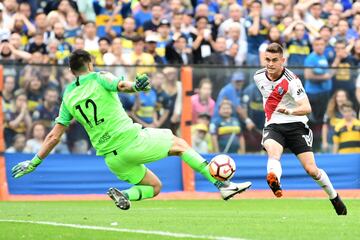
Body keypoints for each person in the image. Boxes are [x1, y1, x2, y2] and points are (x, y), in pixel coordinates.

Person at [11, 49, 251, 210]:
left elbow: (54, 135)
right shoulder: (99, 77)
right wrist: (136, 86)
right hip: (131, 141)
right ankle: (223, 185)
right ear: (90, 64)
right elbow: (123, 85)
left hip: (111, 158)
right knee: (179, 144)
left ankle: (127, 194)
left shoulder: (67, 97)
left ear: (72, 71)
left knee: (154, 187)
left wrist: (33, 162)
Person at [254, 43, 347, 215]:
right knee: (273, 152)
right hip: (274, 125)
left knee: (311, 170)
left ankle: (334, 197)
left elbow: (307, 107)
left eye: (275, 60)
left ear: (283, 60)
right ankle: (274, 180)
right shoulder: (258, 76)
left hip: (296, 126)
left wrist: (290, 110)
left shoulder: (292, 81)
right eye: (267, 59)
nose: (270, 64)